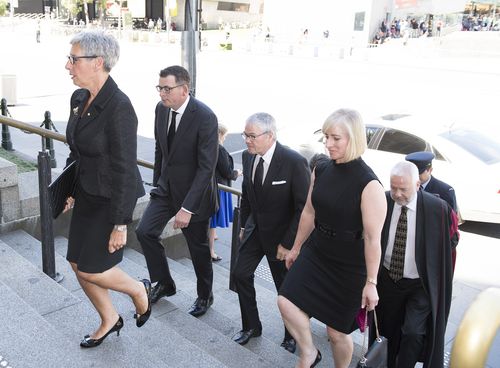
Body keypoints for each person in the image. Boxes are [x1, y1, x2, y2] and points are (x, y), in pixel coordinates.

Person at [278, 108, 387, 368]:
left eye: (336, 138)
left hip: (350, 265)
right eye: (326, 136)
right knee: (285, 300)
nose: (328, 144)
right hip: (318, 252)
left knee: (336, 332)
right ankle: (309, 352)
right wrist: (296, 248)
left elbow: (373, 239)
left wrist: (371, 282)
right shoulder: (322, 169)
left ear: (354, 138)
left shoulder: (370, 184)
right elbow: (309, 211)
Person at [63, 30, 150, 348]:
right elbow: (77, 150)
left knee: (92, 269)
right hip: (86, 192)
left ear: (97, 62)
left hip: (112, 200)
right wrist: (69, 188)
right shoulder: (79, 98)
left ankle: (139, 290)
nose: (68, 66)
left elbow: (126, 169)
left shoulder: (120, 107)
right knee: (76, 263)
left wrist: (120, 224)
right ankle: (109, 318)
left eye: (73, 59)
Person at [135, 65, 219, 317]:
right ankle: (165, 283)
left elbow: (206, 168)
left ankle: (205, 296)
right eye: (159, 88)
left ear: (184, 89)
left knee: (198, 249)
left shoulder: (205, 117)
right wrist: (157, 184)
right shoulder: (161, 110)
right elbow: (161, 150)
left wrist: (187, 208)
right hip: (166, 190)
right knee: (144, 232)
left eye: (167, 88)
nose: (162, 93)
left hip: (195, 197)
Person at [232, 112, 310, 353]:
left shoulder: (293, 161)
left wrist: (289, 244)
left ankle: (292, 335)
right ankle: (252, 326)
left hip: (282, 238)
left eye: (251, 136)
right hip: (256, 232)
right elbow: (247, 194)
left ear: (270, 136)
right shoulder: (248, 156)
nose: (246, 140)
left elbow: (303, 208)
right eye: (245, 135)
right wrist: (244, 226)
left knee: (284, 290)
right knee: (240, 274)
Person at [375, 161, 453, 368]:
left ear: (418, 184)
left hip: (419, 284)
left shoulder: (437, 208)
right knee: (387, 331)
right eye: (394, 188)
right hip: (388, 279)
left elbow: (449, 242)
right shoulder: (382, 200)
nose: (398, 194)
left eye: (404, 189)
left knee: (413, 332)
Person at [209, 123, 242, 262]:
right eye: (225, 135)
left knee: (212, 218)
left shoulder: (208, 146)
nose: (225, 138)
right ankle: (210, 251)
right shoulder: (219, 149)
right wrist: (237, 173)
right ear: (220, 135)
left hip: (212, 186)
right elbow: (227, 172)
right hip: (220, 188)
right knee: (212, 219)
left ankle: (214, 234)